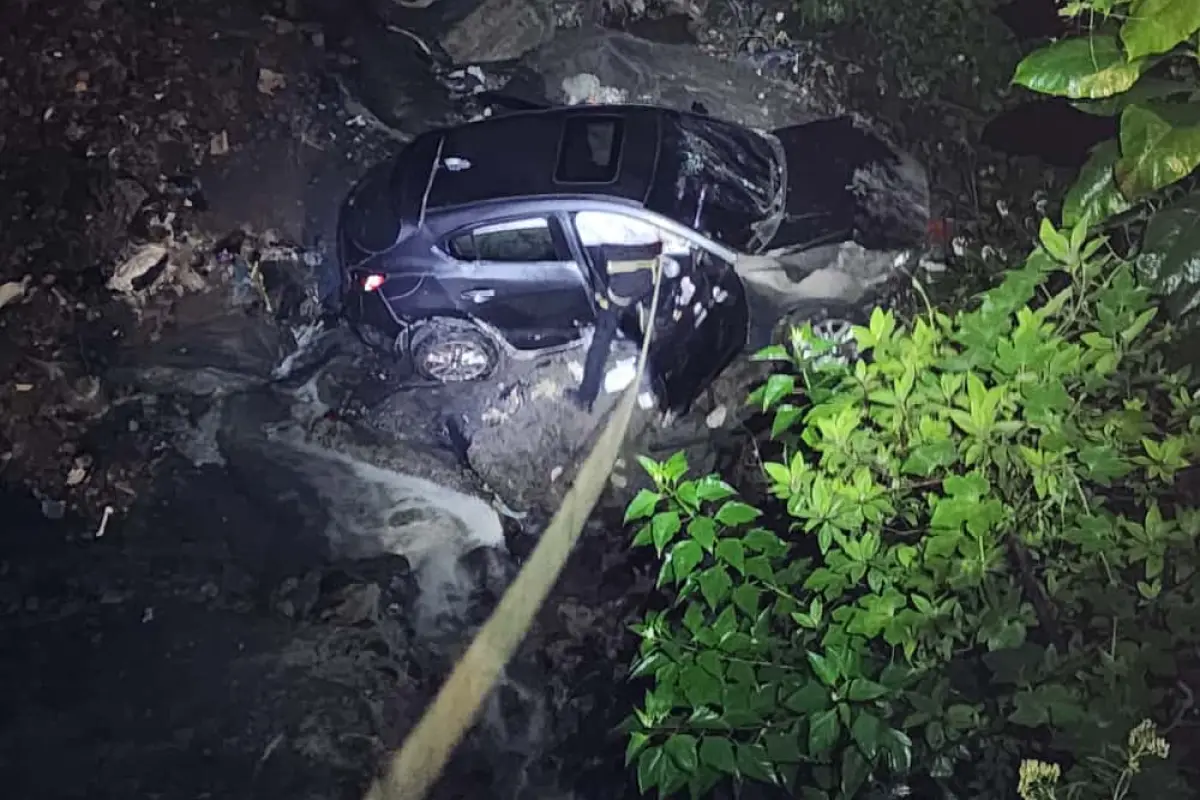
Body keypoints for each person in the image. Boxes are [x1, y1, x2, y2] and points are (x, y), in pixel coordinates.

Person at [568, 213, 665, 412]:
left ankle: (586, 396)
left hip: (623, 283)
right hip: (648, 277)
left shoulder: (585, 220)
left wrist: (604, 298)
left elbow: (593, 264)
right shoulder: (619, 210)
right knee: (638, 324)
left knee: (602, 336)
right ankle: (648, 365)